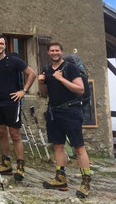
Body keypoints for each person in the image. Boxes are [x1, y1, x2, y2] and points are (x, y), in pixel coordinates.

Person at [38, 42, 91, 199]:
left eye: (57, 50)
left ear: (61, 52)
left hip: (70, 111)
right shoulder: (47, 70)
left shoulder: (70, 68)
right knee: (58, 146)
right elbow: (45, 93)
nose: (54, 53)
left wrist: (61, 79)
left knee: (79, 147)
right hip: (54, 112)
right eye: (52, 50)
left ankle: (86, 181)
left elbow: (80, 89)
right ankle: (60, 178)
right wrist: (41, 82)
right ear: (48, 53)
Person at [0, 34, 36, 181]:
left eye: (1, 43)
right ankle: (6, 163)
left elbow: (32, 74)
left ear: (5, 46)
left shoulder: (14, 61)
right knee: (1, 133)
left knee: (15, 134)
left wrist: (23, 91)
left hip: (12, 102)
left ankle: (20, 165)